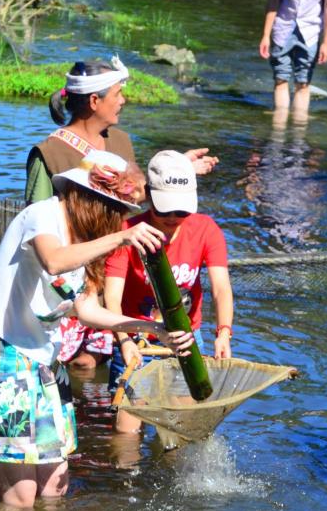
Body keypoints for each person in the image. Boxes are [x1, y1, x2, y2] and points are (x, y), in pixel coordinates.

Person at [0, 151, 194, 508]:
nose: (118, 221)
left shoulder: (85, 243)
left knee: (55, 490)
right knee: (21, 499)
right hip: (7, 365)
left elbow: (88, 311)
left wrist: (153, 328)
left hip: (47, 369)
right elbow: (54, 259)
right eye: (115, 211)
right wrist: (121, 239)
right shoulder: (41, 215)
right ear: (92, 201)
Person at [25, 57, 218, 369]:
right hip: (70, 276)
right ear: (94, 100)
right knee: (65, 361)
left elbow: (137, 193)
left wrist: (180, 170)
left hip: (109, 276)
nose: (124, 101)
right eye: (117, 94)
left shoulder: (119, 141)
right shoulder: (50, 152)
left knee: (95, 361)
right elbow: (37, 222)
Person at [104, 150, 234, 434]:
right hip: (137, 341)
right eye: (165, 209)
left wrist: (223, 332)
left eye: (182, 210)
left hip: (185, 339)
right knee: (126, 432)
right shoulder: (127, 233)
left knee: (181, 430)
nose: (174, 218)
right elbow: (111, 297)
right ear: (148, 195)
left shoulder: (206, 230)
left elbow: (221, 288)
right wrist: (123, 341)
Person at [259, 0, 327, 119]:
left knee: (303, 83)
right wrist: (266, 35)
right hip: (282, 27)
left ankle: (298, 135)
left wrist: (326, 43)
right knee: (281, 79)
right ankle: (278, 133)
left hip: (311, 30)